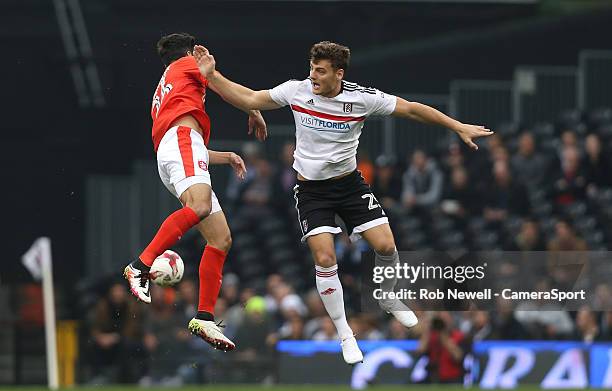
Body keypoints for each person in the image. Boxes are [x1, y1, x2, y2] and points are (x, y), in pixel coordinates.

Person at [194, 41, 492, 364]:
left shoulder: (361, 98)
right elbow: (250, 97)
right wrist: (211, 75)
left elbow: (411, 109)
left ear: (339, 73)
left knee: (387, 247)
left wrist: (457, 126)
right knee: (324, 258)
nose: (313, 76)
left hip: (349, 186)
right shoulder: (297, 91)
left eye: (320, 71)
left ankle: (388, 296)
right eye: (312, 68)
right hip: (312, 192)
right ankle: (345, 333)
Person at [123, 33, 268, 351]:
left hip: (177, 149)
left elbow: (181, 135)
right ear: (189, 53)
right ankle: (140, 265)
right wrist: (253, 108)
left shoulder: (166, 85)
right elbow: (218, 83)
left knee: (220, 239)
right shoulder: (187, 64)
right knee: (200, 206)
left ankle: (203, 316)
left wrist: (224, 156)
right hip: (182, 143)